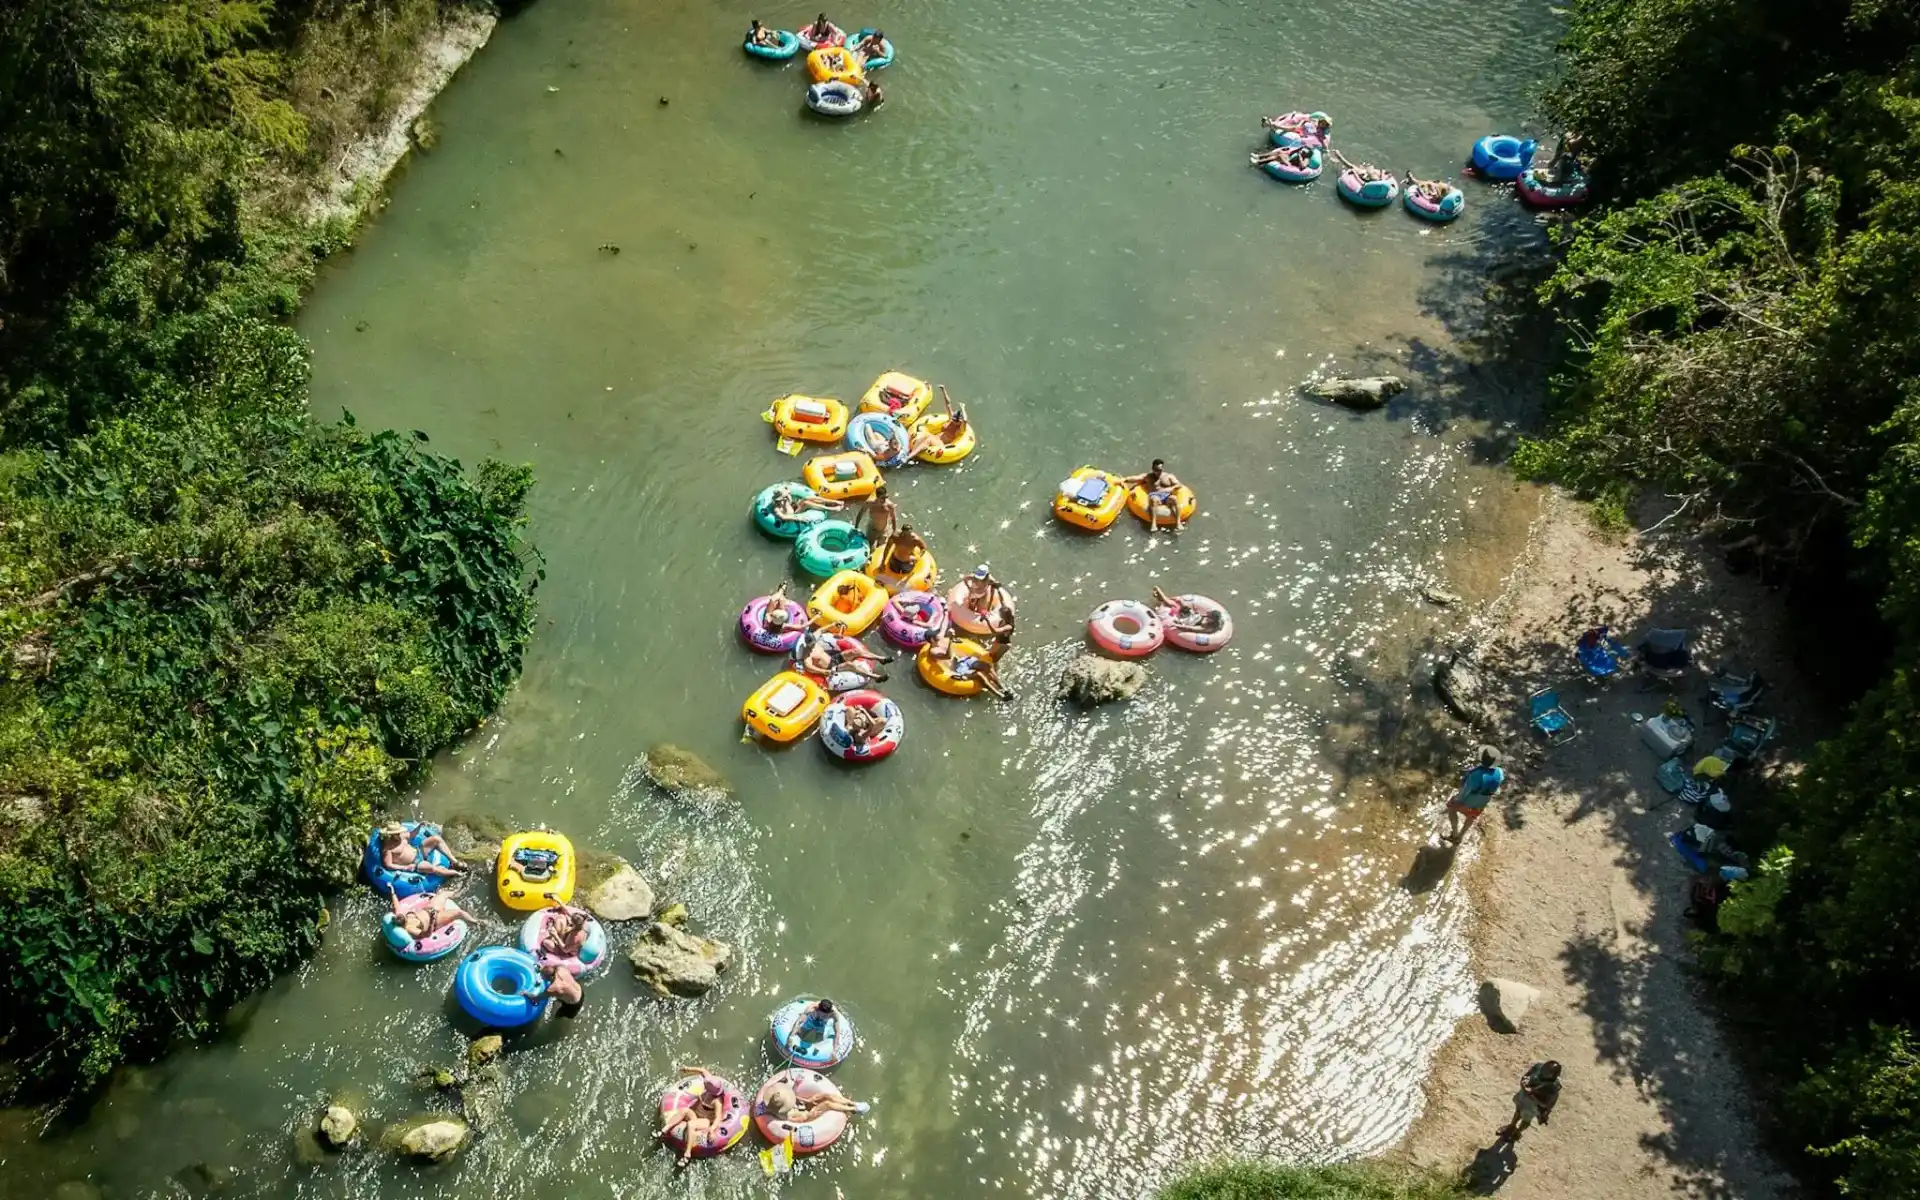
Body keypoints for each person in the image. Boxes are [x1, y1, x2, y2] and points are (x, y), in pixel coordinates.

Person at [659, 1066, 730, 1163]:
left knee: (691, 1124)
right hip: (695, 1114)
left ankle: (687, 1154)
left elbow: (718, 1118)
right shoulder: (709, 1084)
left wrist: (712, 1129)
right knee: (684, 1110)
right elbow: (703, 1070)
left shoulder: (717, 1102)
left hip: (705, 1120)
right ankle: (664, 1130)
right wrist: (687, 1069)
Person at [930, 628, 1014, 701]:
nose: (939, 637)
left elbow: (956, 643)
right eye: (937, 637)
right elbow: (948, 656)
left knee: (987, 666)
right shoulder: (933, 651)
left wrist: (954, 638)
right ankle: (1000, 696)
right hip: (957, 667)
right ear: (932, 640)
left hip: (964, 660)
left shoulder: (942, 642)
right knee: (978, 675)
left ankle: (1003, 689)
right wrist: (951, 639)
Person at [1443, 747, 1505, 844]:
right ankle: (1461, 836)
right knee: (1471, 817)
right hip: (1481, 805)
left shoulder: (1476, 775)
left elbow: (1465, 791)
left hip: (1468, 803)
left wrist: (1457, 800)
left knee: (1451, 808)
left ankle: (1454, 834)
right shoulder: (1500, 773)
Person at [760, 1074, 870, 1123]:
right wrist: (810, 1114)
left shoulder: (774, 1100)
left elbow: (792, 1098)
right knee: (827, 1104)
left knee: (826, 1096)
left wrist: (808, 1101)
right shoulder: (783, 1115)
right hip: (806, 1115)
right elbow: (801, 1119)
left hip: (799, 1106)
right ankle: (853, 1109)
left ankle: (851, 1103)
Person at [1497, 1061, 1562, 1142]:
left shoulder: (1554, 1087)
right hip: (1523, 1097)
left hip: (1533, 1106)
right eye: (1544, 1069)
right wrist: (1523, 1082)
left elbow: (1547, 1105)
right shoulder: (1538, 1067)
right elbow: (1527, 1075)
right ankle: (1511, 1127)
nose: (1543, 1072)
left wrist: (1532, 1095)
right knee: (1518, 1111)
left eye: (1547, 1072)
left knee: (1526, 1120)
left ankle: (1517, 1132)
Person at [387, 884, 474, 941]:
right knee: (459, 912)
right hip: (436, 919)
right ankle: (477, 922)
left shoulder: (399, 916)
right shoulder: (410, 929)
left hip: (430, 908)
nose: (404, 916)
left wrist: (392, 891)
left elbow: (396, 905)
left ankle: (461, 890)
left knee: (443, 894)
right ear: (402, 924)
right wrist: (432, 920)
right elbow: (426, 935)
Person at [379, 822, 464, 878]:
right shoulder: (387, 849)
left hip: (418, 851)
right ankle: (456, 873)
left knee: (436, 839)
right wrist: (405, 867)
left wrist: (419, 827)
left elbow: (412, 834)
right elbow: (388, 865)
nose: (399, 834)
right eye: (396, 833)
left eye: (399, 832)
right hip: (415, 863)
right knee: (431, 868)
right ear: (391, 835)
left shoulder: (402, 836)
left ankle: (454, 862)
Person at [1122, 460, 1186, 532]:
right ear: (1153, 469)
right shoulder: (1148, 476)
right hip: (1155, 496)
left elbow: (1179, 484)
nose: (1158, 472)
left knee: (1174, 498)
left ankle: (1178, 522)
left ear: (1163, 469)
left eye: (1160, 470)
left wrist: (1170, 488)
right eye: (1156, 470)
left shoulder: (1169, 476)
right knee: (1154, 499)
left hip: (1166, 496)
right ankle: (1153, 524)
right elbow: (1136, 478)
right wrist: (1124, 479)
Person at [906, 385, 968, 459]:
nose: (953, 420)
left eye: (955, 420)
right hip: (935, 438)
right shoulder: (950, 420)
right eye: (953, 419)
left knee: (929, 439)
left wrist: (963, 408)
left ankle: (909, 457)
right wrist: (943, 390)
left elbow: (965, 420)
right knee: (925, 436)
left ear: (959, 421)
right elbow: (948, 404)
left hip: (941, 444)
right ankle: (910, 451)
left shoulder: (960, 429)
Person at [1151, 587, 1224, 634]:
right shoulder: (1209, 620)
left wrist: (1176, 625)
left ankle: (1159, 593)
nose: (1207, 614)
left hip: (1186, 620)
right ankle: (1160, 597)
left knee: (1170, 604)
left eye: (1209, 615)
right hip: (1191, 614)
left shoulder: (1206, 627)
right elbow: (1197, 615)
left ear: (1212, 619)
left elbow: (1191, 628)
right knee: (1177, 602)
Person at [771, 487, 841, 523]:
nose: (785, 497)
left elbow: (788, 492)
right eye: (783, 497)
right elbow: (783, 517)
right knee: (805, 503)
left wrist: (786, 496)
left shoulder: (786, 497)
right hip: (791, 514)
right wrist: (798, 518)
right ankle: (832, 509)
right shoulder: (776, 507)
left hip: (793, 507)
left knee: (807, 498)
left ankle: (835, 501)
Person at [1250, 142, 1317, 171]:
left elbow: (1302, 166)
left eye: (1304, 152)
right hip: (1289, 159)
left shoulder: (1307, 159)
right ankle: (1258, 157)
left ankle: (1258, 162)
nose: (1302, 151)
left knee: (1278, 156)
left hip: (1290, 165)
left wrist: (1300, 156)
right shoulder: (1301, 150)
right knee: (1278, 152)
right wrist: (1298, 149)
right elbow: (1291, 153)